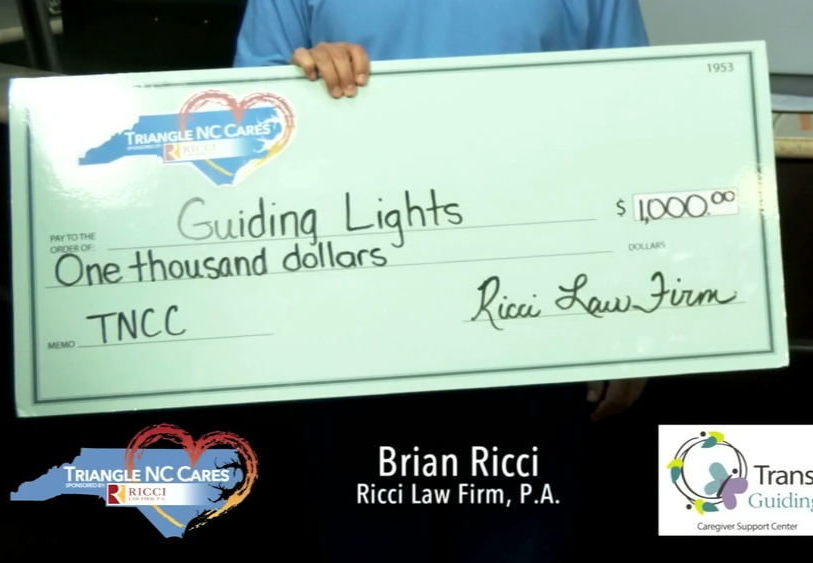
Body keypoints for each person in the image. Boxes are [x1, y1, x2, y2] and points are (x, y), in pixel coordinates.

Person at [233, 1, 650, 561]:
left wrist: (636, 329)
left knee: (516, 548)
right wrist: (301, 82)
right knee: (368, 546)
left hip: (533, 329)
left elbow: (632, 127)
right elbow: (244, 133)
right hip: (354, 336)